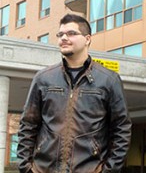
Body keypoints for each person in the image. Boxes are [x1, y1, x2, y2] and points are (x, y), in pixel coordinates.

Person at [17, 14, 132, 173]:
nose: (63, 38)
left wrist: (110, 170)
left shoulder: (109, 80)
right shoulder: (43, 78)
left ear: (87, 39)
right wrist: (26, 167)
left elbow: (121, 129)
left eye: (71, 33)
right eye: (60, 34)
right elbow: (28, 125)